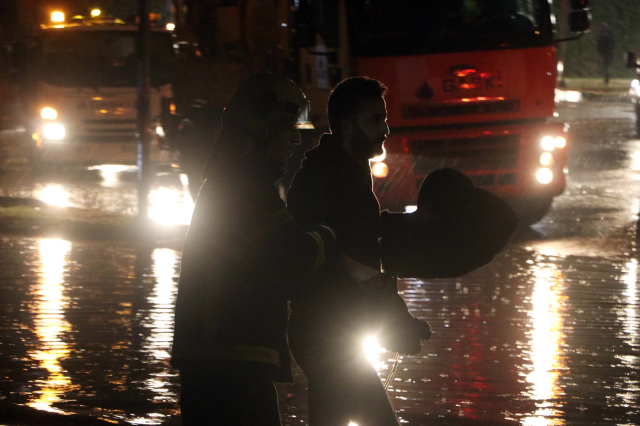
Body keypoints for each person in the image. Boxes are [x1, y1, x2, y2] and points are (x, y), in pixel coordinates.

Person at [171, 74, 346, 426]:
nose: (296, 141)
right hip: (231, 365)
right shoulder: (246, 190)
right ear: (263, 130)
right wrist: (329, 234)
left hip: (216, 361)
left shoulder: (231, 182)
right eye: (289, 131)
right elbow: (294, 258)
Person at [287, 77, 431, 426]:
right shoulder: (334, 178)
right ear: (347, 125)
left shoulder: (340, 171)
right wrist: (398, 322)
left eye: (383, 119)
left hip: (324, 331)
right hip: (327, 332)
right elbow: (353, 266)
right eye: (374, 120)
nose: (385, 129)